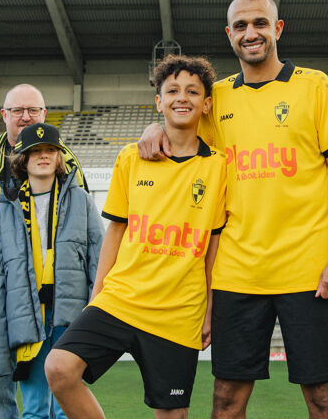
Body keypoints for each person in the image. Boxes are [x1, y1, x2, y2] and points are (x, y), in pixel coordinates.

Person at [138, 0, 328, 419]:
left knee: (324, 398)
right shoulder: (214, 98)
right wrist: (153, 124)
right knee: (225, 400)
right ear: (229, 35)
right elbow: (176, 119)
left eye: (259, 23)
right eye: (240, 26)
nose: (250, 33)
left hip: (307, 271)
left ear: (277, 29)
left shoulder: (314, 86)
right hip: (236, 272)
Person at [47, 55, 228, 419]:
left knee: (172, 414)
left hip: (178, 312)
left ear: (206, 103)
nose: (183, 97)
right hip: (121, 299)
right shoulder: (131, 158)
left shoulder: (219, 166)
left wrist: (210, 309)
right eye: (172, 90)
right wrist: (98, 296)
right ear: (158, 101)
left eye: (193, 91)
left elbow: (213, 246)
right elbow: (115, 231)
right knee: (59, 368)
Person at [0, 84, 87, 418]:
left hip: (58, 299)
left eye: (33, 110)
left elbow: (88, 243)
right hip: (1, 295)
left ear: (44, 114)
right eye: (17, 110)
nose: (26, 116)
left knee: (59, 391)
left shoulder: (70, 165)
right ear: (4, 116)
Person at [0, 121, 102, 419]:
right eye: (35, 151)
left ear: (60, 157)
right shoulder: (2, 213)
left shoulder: (82, 202)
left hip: (71, 316)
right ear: (22, 158)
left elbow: (99, 261)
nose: (44, 155)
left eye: (51, 149)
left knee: (66, 405)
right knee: (34, 408)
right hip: (26, 318)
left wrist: (98, 311)